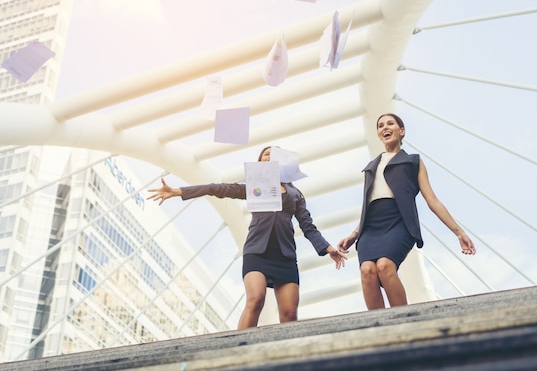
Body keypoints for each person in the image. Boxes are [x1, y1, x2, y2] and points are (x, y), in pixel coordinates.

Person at [147, 146, 347, 329]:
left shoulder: (296, 194)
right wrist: (180, 191)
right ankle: (237, 354)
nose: (269, 157)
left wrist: (328, 248)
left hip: (285, 257)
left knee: (289, 314)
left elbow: (307, 226)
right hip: (257, 253)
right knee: (255, 300)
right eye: (265, 155)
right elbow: (218, 188)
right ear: (260, 164)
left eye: (273, 154)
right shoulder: (253, 187)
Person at [337, 113, 476, 310]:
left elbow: (432, 200)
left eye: (390, 123)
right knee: (367, 270)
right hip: (371, 228)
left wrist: (459, 232)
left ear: (401, 131)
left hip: (398, 223)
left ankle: (402, 321)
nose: (385, 127)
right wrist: (353, 234)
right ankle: (378, 328)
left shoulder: (413, 162)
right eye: (380, 125)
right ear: (378, 134)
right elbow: (369, 205)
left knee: (385, 266)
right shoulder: (371, 167)